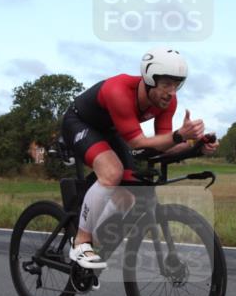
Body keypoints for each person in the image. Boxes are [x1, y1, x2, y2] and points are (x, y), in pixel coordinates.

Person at [59, 47, 218, 271]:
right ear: (150, 79)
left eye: (176, 85)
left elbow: (164, 145)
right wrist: (179, 135)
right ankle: (81, 241)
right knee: (112, 172)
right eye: (166, 84)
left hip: (111, 131)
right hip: (79, 123)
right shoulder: (119, 90)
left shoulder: (167, 102)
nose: (171, 92)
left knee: (128, 194)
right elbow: (137, 143)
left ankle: (96, 238)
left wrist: (196, 145)